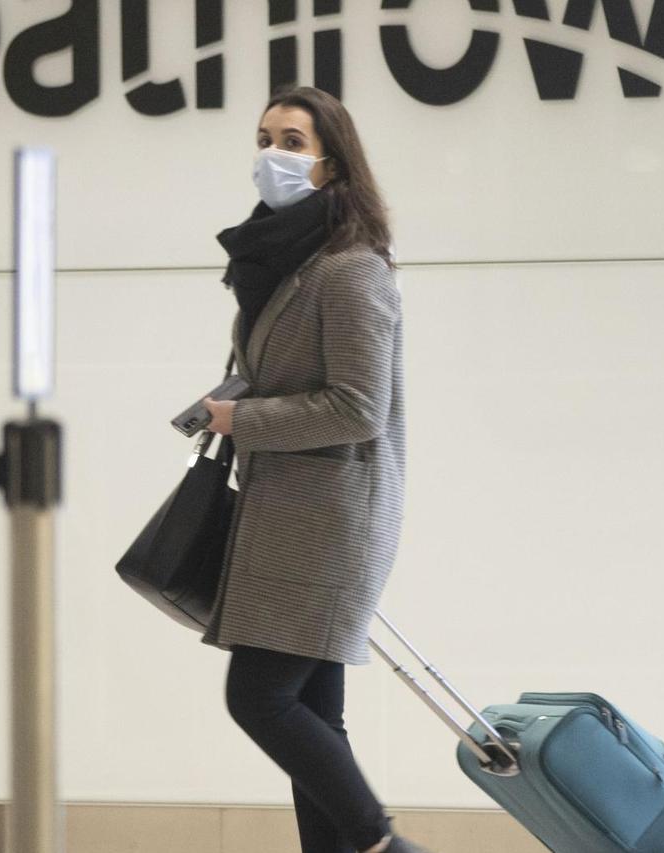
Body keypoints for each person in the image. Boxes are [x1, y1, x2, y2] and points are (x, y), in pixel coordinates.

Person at [200, 87, 423, 853]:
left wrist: (245, 420)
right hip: (291, 512)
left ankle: (383, 844)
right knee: (314, 714)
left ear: (333, 163)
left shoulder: (352, 271)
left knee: (259, 698)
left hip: (330, 520)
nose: (274, 154)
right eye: (264, 137)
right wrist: (229, 403)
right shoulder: (286, 263)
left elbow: (358, 407)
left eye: (293, 141)